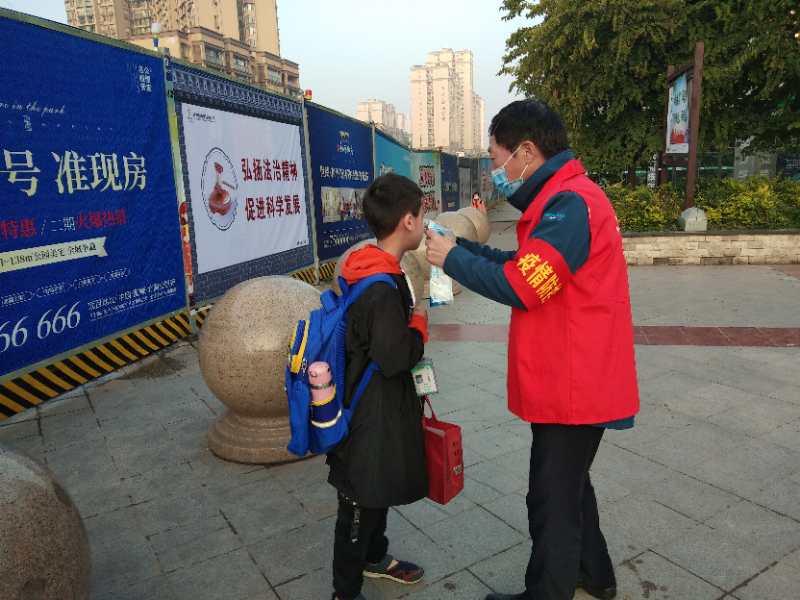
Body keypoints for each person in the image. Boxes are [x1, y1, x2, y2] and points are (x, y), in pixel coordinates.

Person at [425, 99, 639, 600]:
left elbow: (524, 285)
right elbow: (523, 262)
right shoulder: (562, 200)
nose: (497, 172)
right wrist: (463, 250)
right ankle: (595, 576)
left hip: (575, 385)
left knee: (551, 498)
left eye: (497, 160)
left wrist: (452, 260)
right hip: (574, 377)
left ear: (525, 151)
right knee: (571, 486)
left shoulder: (570, 206)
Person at [328, 173, 430, 600]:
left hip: (373, 405)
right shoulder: (381, 287)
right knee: (358, 502)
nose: (426, 222)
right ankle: (345, 591)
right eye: (423, 214)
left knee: (375, 490)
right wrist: (420, 325)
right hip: (369, 415)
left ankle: (374, 556)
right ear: (406, 221)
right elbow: (394, 356)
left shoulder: (372, 266)